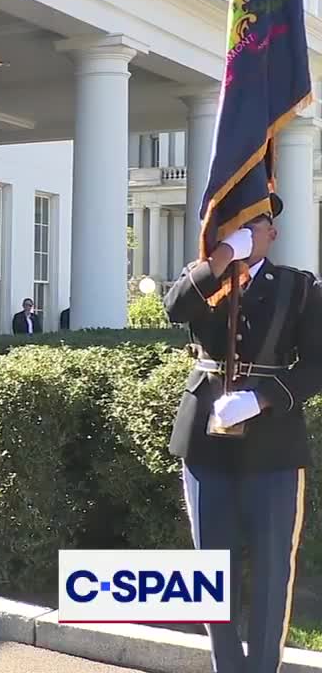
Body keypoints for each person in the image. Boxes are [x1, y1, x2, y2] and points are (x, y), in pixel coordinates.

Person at [164, 192, 322, 673]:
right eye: (238, 224)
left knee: (273, 571)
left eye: (257, 224)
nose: (248, 231)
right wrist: (222, 257)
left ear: (273, 233)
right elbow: (174, 307)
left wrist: (263, 397)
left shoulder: (299, 288)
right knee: (213, 572)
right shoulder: (205, 279)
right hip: (206, 444)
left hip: (273, 446)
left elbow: (317, 365)